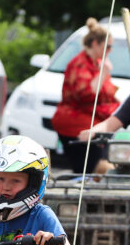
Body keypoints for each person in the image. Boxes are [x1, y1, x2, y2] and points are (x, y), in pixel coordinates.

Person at [50, 18, 119, 175]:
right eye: (108, 47)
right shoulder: (80, 64)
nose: (110, 51)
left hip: (96, 123)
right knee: (91, 170)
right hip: (78, 124)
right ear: (95, 44)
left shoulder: (97, 63)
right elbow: (86, 94)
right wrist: (104, 74)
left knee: (96, 169)